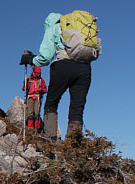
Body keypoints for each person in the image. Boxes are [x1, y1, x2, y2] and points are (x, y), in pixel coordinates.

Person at [21, 12, 101, 143]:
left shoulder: (53, 29)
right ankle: (73, 146)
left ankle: (50, 141)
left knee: (52, 103)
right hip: (84, 69)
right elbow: (99, 51)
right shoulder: (78, 29)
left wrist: (31, 60)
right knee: (77, 107)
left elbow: (45, 58)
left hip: (62, 67)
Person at [24, 66, 47, 131]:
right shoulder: (29, 80)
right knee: (30, 113)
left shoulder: (41, 80)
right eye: (37, 73)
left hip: (37, 97)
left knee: (37, 113)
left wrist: (42, 91)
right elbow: (24, 88)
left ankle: (37, 128)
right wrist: (25, 84)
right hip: (30, 97)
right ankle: (30, 128)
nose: (39, 74)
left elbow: (45, 89)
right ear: (34, 72)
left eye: (39, 73)